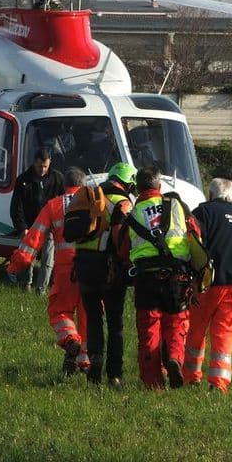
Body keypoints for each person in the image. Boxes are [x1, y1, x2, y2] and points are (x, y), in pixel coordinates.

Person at [117, 165, 203, 390]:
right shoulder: (177, 206)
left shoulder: (133, 212)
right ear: (159, 185)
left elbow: (123, 249)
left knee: (149, 331)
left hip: (146, 279)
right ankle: (174, 358)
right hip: (177, 276)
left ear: (138, 189)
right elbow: (195, 235)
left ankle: (153, 384)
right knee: (176, 324)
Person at [8, 168, 90, 376]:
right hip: (92, 269)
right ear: (84, 184)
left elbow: (34, 238)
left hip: (65, 271)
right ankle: (85, 361)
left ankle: (70, 340)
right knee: (89, 316)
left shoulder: (53, 205)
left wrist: (16, 264)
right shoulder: (94, 202)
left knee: (59, 311)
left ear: (64, 186)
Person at [69, 161, 136, 389]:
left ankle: (94, 366)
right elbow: (124, 242)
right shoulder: (122, 202)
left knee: (94, 320)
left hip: (83, 267)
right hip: (110, 270)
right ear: (127, 183)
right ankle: (114, 375)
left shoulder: (88, 196)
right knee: (115, 323)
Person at [183, 178, 232, 394]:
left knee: (196, 329)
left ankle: (191, 377)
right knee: (225, 335)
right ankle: (218, 385)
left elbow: (194, 244)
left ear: (210, 195)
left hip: (210, 281)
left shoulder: (203, 212)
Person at [10, 148, 65, 294]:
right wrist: (22, 228)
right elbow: (16, 207)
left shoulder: (57, 179)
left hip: (50, 227)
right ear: (34, 163)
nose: (42, 169)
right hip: (30, 227)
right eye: (40, 166)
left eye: (45, 166)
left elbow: (63, 202)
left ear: (50, 163)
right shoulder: (23, 180)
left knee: (48, 259)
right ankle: (25, 285)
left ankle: (41, 289)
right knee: (27, 257)